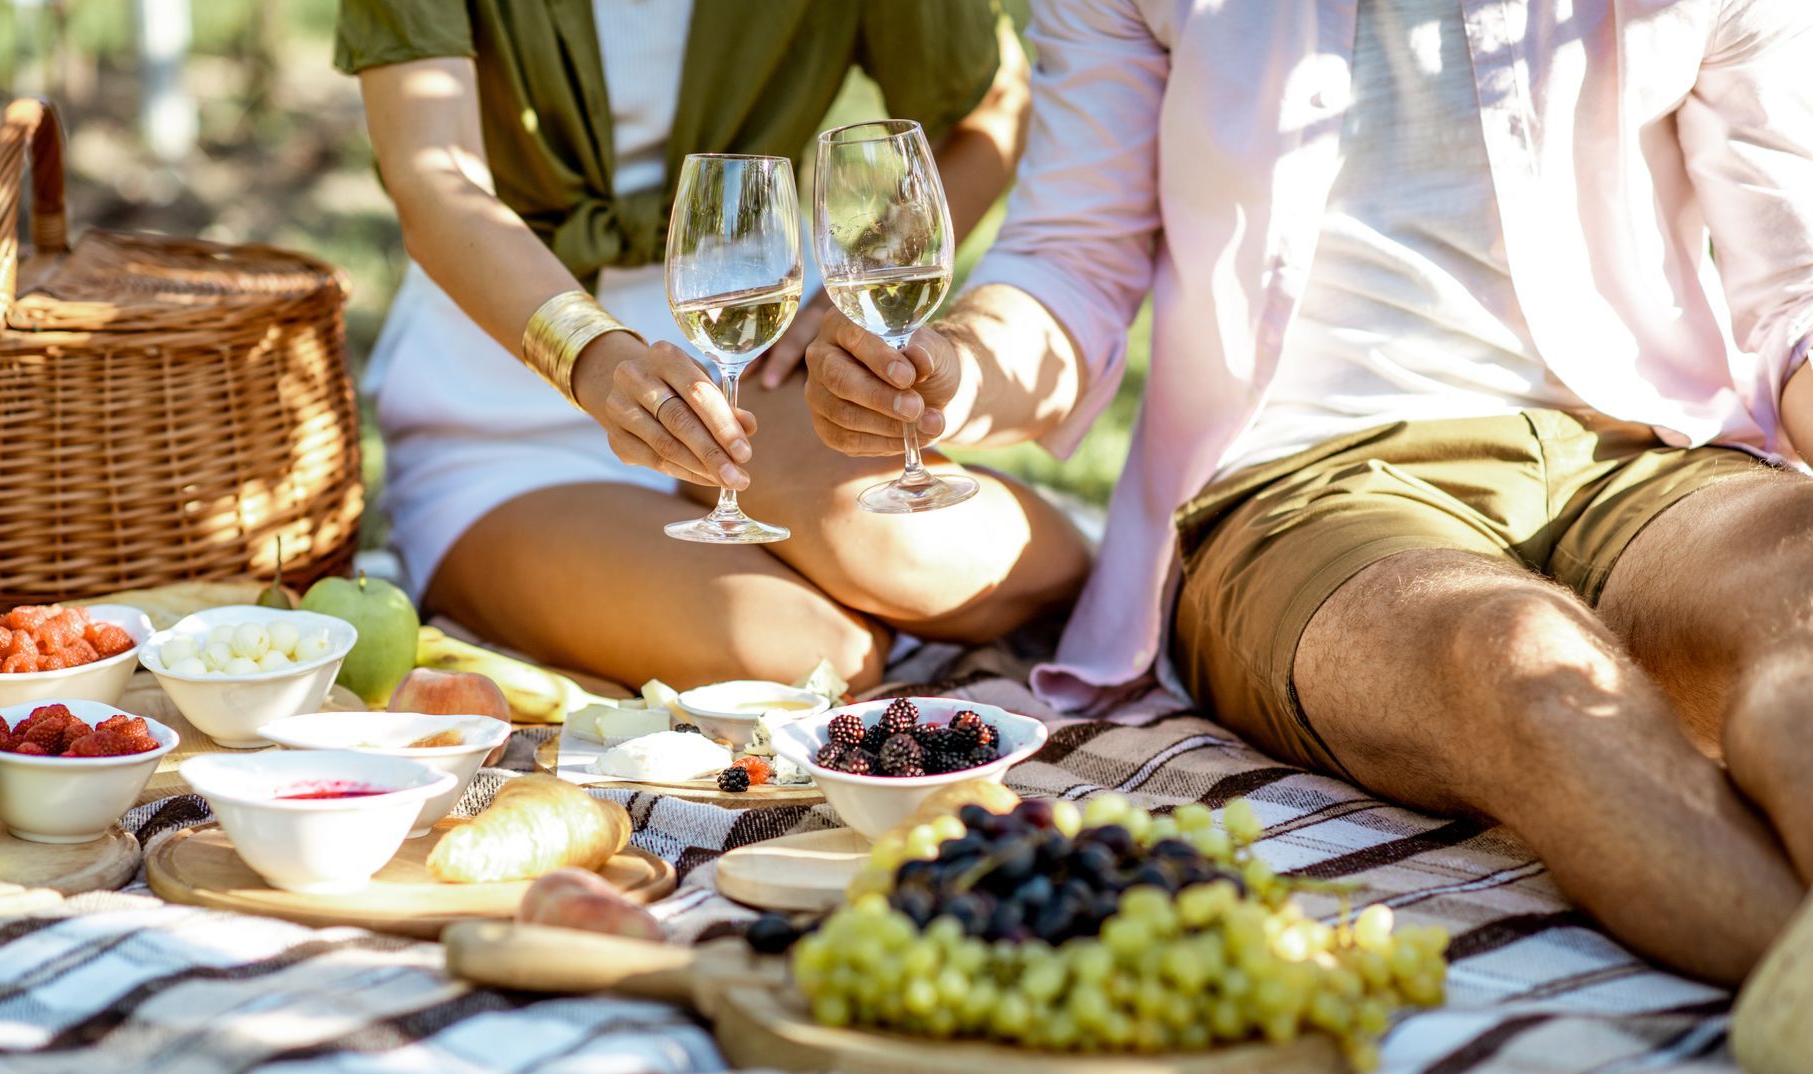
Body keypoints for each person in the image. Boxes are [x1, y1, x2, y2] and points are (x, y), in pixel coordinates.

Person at [804, 0, 1813, 986]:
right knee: (1516, 663)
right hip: (1304, 486)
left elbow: (1797, 291)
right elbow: (1072, 259)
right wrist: (958, 371)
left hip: (1651, 454)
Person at [335, 0, 1088, 694]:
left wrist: (839, 294)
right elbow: (432, 177)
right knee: (806, 657)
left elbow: (989, 107)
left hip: (752, 358)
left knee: (957, 561)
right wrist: (594, 356)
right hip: (504, 398)